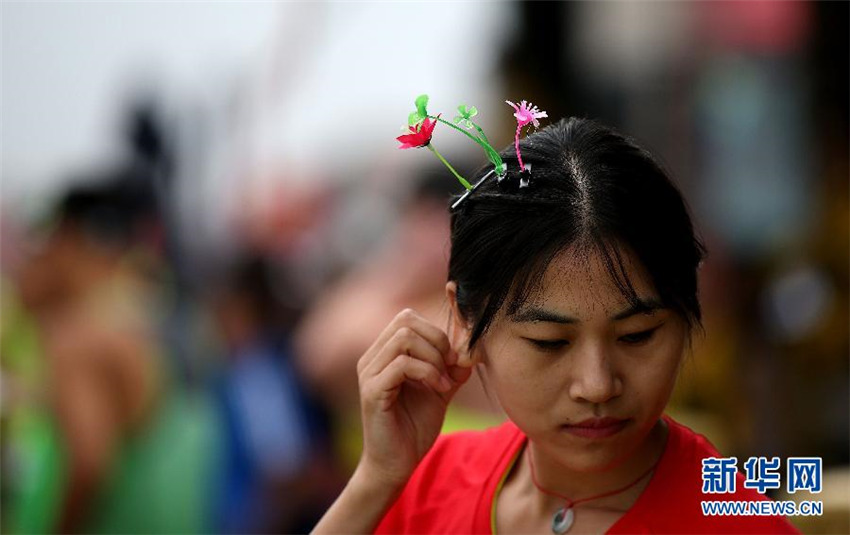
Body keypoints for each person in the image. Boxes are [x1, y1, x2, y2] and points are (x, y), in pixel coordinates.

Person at [312, 117, 800, 534]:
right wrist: (375, 479)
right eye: (549, 342)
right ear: (463, 321)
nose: (597, 385)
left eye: (637, 335)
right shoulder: (425, 484)